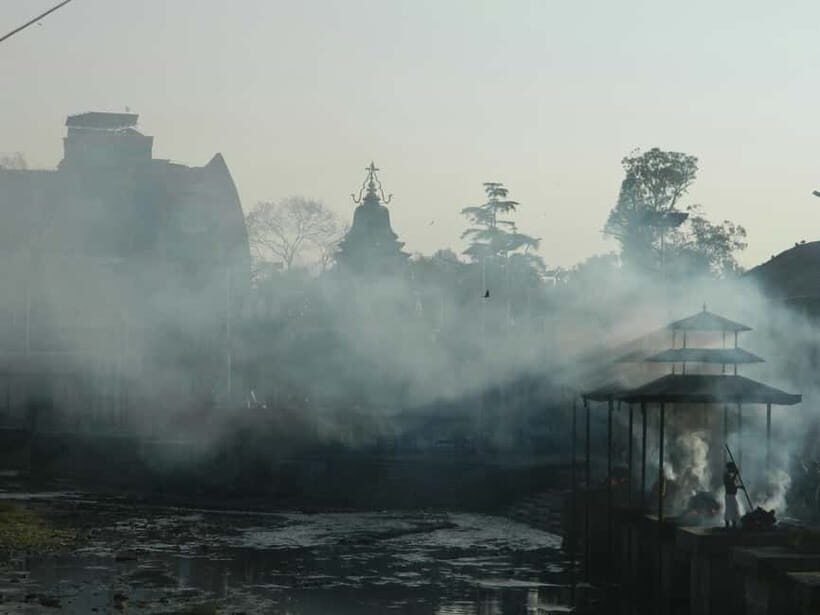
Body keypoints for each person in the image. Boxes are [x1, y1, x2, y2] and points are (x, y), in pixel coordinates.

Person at [723, 462, 744, 529]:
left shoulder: (728, 476)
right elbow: (730, 484)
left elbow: (733, 484)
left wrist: (739, 487)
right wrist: (735, 474)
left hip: (731, 495)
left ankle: (733, 524)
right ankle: (730, 524)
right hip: (729, 495)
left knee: (733, 509)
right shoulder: (726, 476)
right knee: (731, 510)